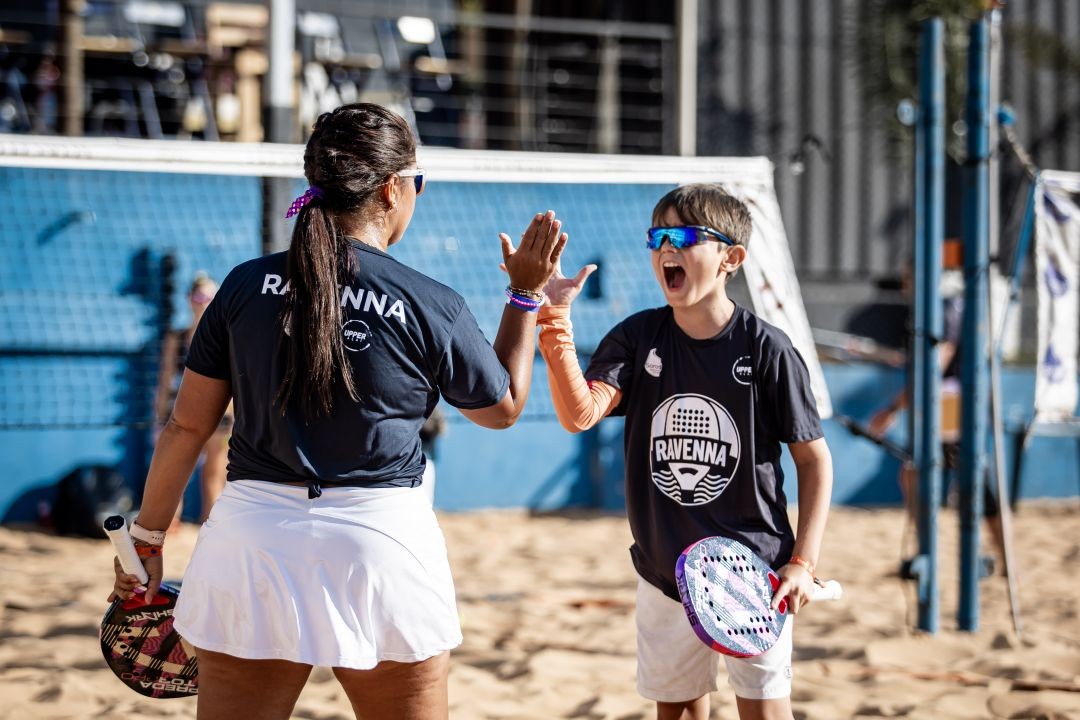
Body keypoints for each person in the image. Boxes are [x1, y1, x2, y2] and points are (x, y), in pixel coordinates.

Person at [110, 102, 567, 719]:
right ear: (391, 189)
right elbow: (503, 408)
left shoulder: (244, 286)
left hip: (252, 542)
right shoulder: (431, 302)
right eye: (418, 183)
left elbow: (186, 426)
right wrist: (524, 295)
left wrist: (147, 539)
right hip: (379, 543)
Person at [536, 184, 833, 720]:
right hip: (664, 572)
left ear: (730, 258)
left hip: (754, 574)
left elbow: (814, 461)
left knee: (765, 712)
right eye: (658, 237)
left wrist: (803, 564)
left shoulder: (768, 350)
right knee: (678, 712)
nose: (666, 249)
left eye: (684, 237)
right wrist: (554, 318)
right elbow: (580, 413)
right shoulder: (638, 336)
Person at [866, 268, 1004, 575]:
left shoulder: (942, 307)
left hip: (952, 403)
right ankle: (929, 552)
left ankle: (940, 554)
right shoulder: (942, 307)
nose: (905, 286)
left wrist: (892, 409)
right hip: (951, 401)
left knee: (961, 477)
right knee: (918, 472)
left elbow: (934, 366)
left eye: (908, 278)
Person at [154, 272, 231, 526]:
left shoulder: (225, 335)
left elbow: (235, 381)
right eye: (199, 295)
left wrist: (234, 414)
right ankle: (169, 524)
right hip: (182, 410)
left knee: (213, 474)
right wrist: (159, 413)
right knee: (174, 471)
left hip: (220, 414)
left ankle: (209, 525)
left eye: (209, 296)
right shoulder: (177, 338)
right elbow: (165, 378)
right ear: (189, 299)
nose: (203, 301)